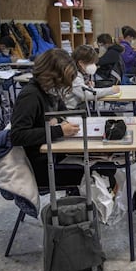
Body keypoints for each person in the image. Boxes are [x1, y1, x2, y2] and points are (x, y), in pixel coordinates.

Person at [10, 48, 83, 188]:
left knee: (101, 165)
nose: (62, 86)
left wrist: (62, 124)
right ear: (51, 75)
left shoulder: (50, 91)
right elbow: (17, 135)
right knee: (99, 172)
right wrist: (59, 131)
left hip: (54, 154)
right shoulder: (31, 96)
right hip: (40, 166)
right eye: (61, 81)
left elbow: (63, 115)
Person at [64, 45, 120, 110]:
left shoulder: (79, 73)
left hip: (79, 107)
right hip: (72, 111)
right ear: (81, 63)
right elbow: (87, 94)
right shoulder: (74, 76)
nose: (93, 65)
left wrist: (85, 85)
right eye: (91, 63)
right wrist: (111, 90)